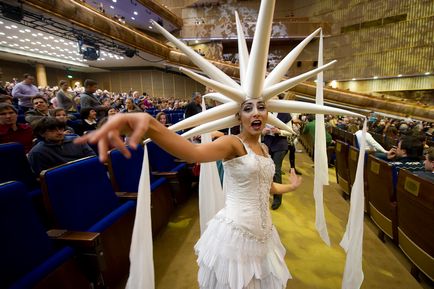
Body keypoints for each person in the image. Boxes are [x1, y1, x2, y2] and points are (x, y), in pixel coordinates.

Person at [76, 98, 302, 289]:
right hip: (237, 237)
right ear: (238, 116)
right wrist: (151, 125)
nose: (256, 113)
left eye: (261, 107)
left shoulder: (264, 149)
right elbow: (193, 153)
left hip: (266, 236)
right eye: (248, 108)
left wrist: (290, 186)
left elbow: (268, 187)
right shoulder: (232, 143)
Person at [28, 117, 95, 175]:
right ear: (42, 133)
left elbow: (93, 158)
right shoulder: (37, 152)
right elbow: (45, 177)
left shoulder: (76, 139)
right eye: (52, 130)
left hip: (87, 172)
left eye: (60, 129)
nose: (59, 132)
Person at [263, 110, 291, 210]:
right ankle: (265, 193)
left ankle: (277, 199)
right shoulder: (265, 112)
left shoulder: (285, 114)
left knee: (276, 171)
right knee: (265, 169)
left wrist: (279, 131)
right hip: (266, 143)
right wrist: (263, 131)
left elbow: (290, 131)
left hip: (280, 144)